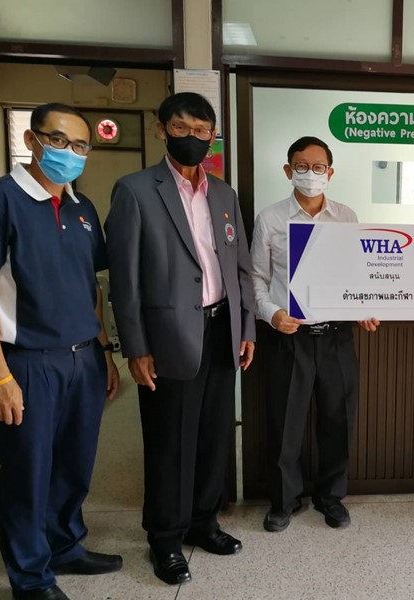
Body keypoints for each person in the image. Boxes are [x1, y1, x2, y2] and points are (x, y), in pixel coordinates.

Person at [105, 92, 256, 585]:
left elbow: (240, 268)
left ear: (213, 137)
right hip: (167, 338)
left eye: (201, 131)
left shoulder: (224, 194)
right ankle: (165, 538)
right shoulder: (135, 191)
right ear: (161, 129)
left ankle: (202, 522)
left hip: (221, 330)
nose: (192, 137)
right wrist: (135, 347)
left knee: (213, 435)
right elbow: (125, 280)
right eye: (181, 128)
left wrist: (246, 327)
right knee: (170, 442)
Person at [0, 103, 121, 600]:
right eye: (59, 140)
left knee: (73, 465)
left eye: (81, 145)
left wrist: (104, 349)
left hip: (83, 357)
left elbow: (91, 285)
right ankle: (30, 578)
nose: (70, 152)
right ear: (32, 140)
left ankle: (65, 546)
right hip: (27, 360)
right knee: (27, 473)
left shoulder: (83, 209)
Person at [251, 136, 378, 533]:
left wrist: (364, 307)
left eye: (318, 167)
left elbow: (358, 273)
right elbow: (255, 278)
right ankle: (284, 501)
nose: (310, 173)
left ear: (330, 172)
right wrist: (272, 314)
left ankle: (331, 497)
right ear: (288, 170)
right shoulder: (270, 218)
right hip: (290, 337)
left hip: (338, 337)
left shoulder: (346, 216)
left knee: (338, 420)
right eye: (302, 166)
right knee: (285, 423)